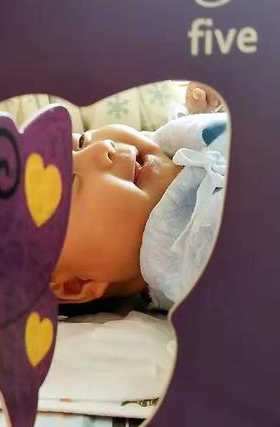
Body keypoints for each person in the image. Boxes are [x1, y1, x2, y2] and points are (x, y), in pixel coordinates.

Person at [52, 114, 228, 311]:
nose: (102, 147)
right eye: (70, 182)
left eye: (81, 141)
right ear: (74, 286)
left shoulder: (167, 144)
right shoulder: (200, 254)